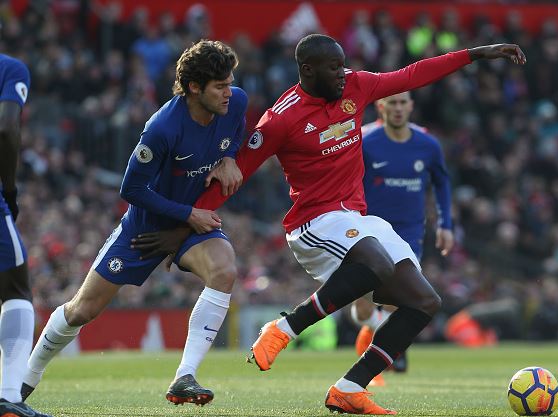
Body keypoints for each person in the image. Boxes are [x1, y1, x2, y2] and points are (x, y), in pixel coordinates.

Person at [135, 34, 526, 415]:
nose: (343, 73)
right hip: (313, 222)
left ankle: (350, 389)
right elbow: (236, 175)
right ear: (308, 69)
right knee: (376, 264)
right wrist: (184, 225)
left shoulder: (357, 86)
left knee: (425, 302)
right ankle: (284, 328)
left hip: (356, 218)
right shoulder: (281, 118)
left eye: (343, 65)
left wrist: (476, 54)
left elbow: (411, 75)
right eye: (334, 67)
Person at [21, 40, 247, 407]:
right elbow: (131, 189)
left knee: (225, 270)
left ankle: (184, 376)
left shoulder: (235, 103)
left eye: (230, 83)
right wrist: (187, 214)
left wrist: (231, 157)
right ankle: (25, 379)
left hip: (192, 224)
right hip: (146, 230)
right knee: (82, 310)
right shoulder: (162, 128)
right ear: (194, 87)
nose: (229, 92)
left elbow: (237, 131)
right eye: (220, 86)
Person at [351, 91, 455, 386]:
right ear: (380, 106)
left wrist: (446, 225)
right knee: (362, 308)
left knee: (398, 300)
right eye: (392, 103)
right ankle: (379, 334)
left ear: (411, 106)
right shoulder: (364, 141)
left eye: (402, 103)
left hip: (408, 233)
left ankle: (383, 356)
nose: (397, 108)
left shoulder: (427, 145)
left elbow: (442, 183)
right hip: (368, 230)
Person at [0, 54, 53, 417]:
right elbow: (6, 127)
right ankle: (9, 396)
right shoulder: (10, 68)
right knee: (16, 288)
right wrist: (9, 189)